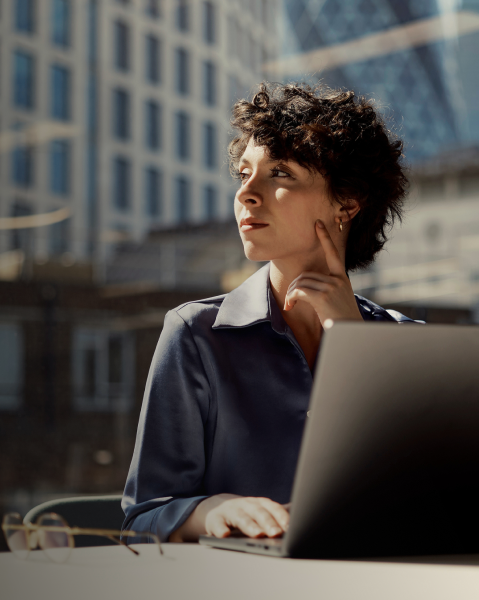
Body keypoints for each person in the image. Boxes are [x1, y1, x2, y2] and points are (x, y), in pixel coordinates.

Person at [122, 82, 418, 543]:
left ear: (347, 202)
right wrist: (212, 510)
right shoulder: (195, 335)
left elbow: (421, 497)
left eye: (279, 173)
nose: (247, 194)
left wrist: (351, 340)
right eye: (243, 174)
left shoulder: (406, 343)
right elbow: (141, 519)